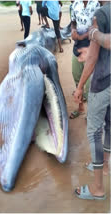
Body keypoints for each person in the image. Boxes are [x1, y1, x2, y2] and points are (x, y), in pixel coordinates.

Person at [73, 1, 110, 200]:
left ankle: (97, 189)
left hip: (103, 82)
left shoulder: (101, 14)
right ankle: (104, 166)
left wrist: (79, 87)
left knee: (95, 132)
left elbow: (93, 57)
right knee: (110, 125)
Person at [69, 0, 100, 119]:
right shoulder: (75, 4)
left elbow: (98, 27)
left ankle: (90, 113)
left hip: (92, 47)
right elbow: (73, 22)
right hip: (77, 48)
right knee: (77, 76)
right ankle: (80, 107)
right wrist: (73, 30)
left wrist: (82, 35)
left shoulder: (97, 4)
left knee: (90, 83)